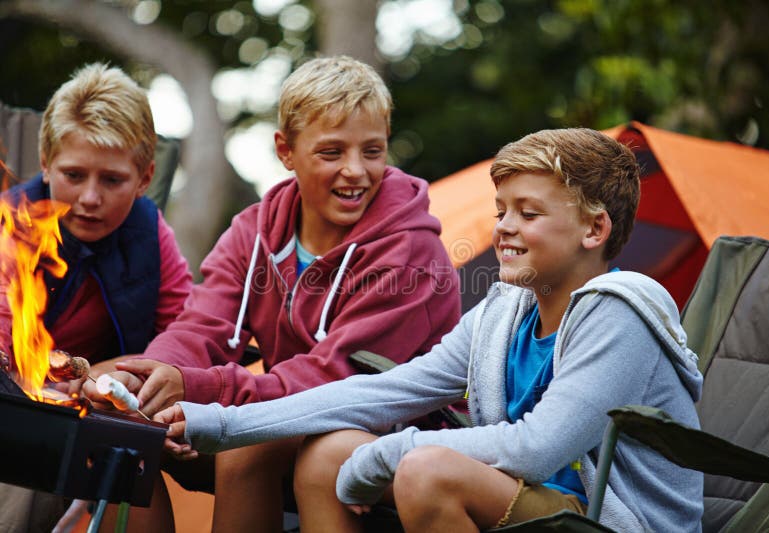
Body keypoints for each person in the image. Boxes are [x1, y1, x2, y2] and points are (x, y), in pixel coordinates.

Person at [156, 128, 706, 533]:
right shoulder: (505, 310)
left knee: (427, 471)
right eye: (501, 211)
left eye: (528, 213)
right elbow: (387, 390)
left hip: (609, 519)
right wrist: (219, 423)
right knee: (329, 453)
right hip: (530, 498)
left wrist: (387, 454)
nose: (504, 229)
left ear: (594, 228)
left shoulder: (619, 314)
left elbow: (535, 449)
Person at [84, 55, 462, 531]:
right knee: (110, 413)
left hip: (397, 433)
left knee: (251, 443)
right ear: (286, 151)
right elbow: (204, 325)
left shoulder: (411, 252)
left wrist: (202, 391)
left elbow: (335, 383)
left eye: (372, 151)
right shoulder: (255, 229)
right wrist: (154, 382)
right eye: (331, 153)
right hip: (294, 415)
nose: (356, 171)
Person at [0, 63, 193, 533]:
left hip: (107, 411)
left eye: (112, 180)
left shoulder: (149, 234)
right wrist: (54, 388)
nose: (89, 197)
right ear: (45, 164)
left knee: (135, 476)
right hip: (21, 410)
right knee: (37, 462)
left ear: (145, 177)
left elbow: (189, 330)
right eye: (73, 174)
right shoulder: (15, 227)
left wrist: (120, 375)